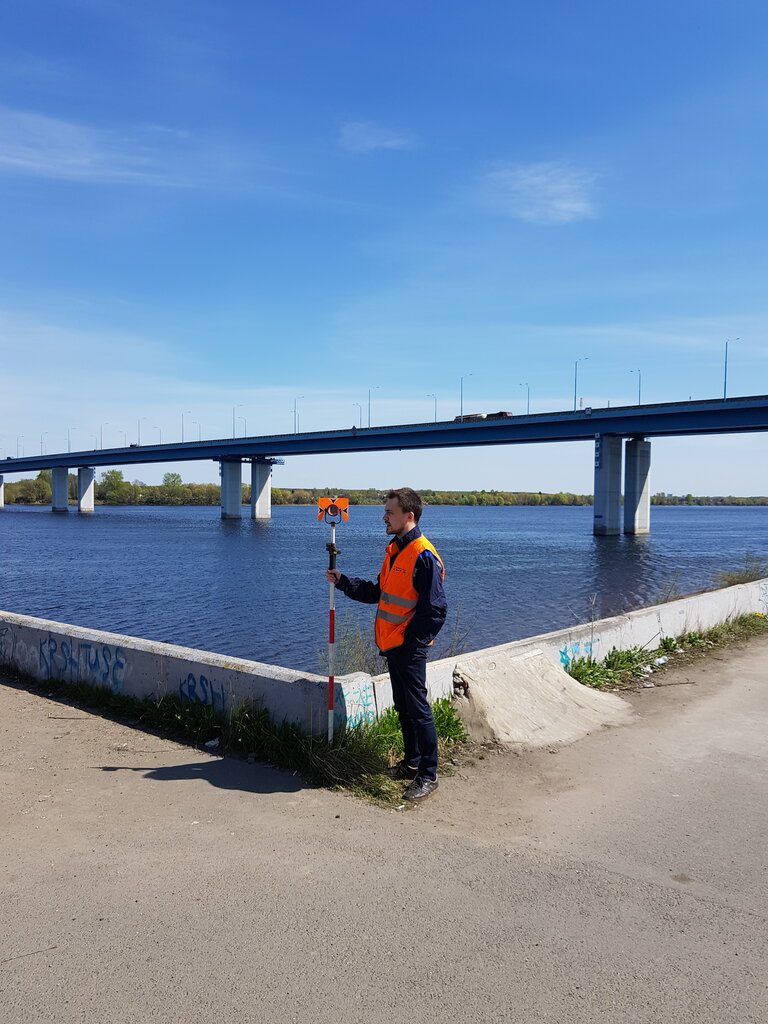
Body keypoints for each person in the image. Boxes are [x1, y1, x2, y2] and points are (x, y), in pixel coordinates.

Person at [326, 488, 447, 802]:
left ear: (409, 516)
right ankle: (412, 763)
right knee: (404, 706)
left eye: (389, 512)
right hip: (394, 645)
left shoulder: (423, 555)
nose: (384, 517)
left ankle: (428, 775)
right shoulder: (395, 551)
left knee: (418, 709)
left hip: (408, 647)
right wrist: (344, 581)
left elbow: (435, 611)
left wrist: (411, 642)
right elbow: (379, 592)